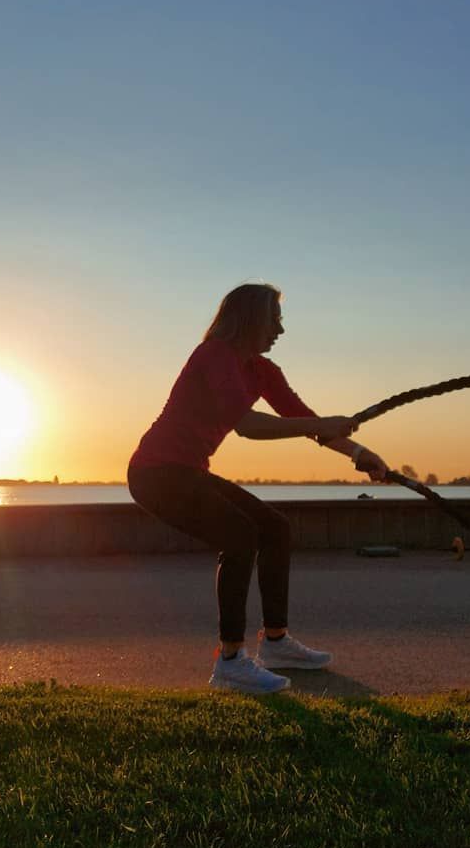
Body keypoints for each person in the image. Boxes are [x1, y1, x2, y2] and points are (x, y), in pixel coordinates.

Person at [127, 283, 388, 694]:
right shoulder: (214, 355)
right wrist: (320, 426)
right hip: (155, 473)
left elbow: (302, 418)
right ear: (249, 318)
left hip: (187, 471)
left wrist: (359, 452)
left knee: (274, 528)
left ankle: (276, 643)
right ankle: (230, 661)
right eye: (275, 320)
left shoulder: (262, 370)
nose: (280, 331)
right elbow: (247, 425)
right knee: (240, 535)